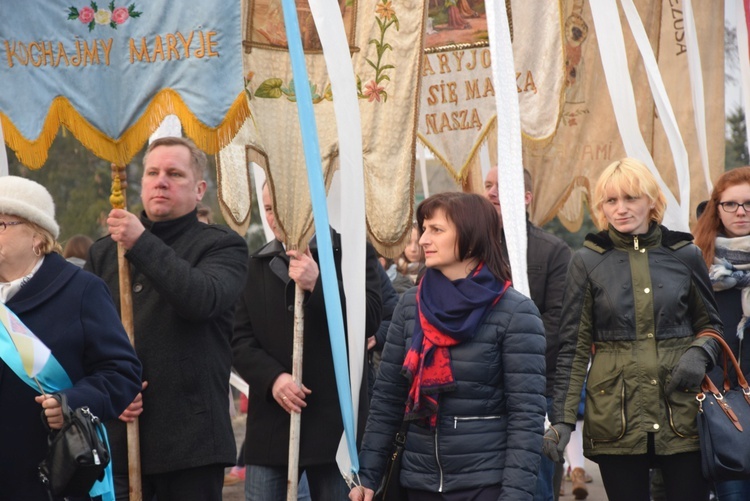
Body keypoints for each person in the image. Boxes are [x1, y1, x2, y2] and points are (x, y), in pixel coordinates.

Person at [544, 158, 723, 501]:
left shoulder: (684, 255)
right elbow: (573, 347)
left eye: (631, 198)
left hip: (682, 409)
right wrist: (563, 420)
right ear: (601, 207)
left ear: (652, 201)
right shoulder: (587, 261)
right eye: (611, 201)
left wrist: (700, 353)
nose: (621, 209)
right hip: (616, 414)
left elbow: (712, 326)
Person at [350, 191, 547, 500]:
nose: (423, 239)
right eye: (424, 228)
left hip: (484, 484)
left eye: (436, 230)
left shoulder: (515, 313)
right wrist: (368, 477)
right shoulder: (410, 306)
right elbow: (387, 400)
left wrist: (515, 495)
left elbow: (527, 417)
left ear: (470, 237)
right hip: (419, 481)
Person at [86, 136, 249, 501]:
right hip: (120, 440)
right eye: (153, 172)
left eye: (175, 173)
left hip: (190, 445)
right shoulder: (104, 253)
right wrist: (108, 392)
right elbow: (85, 339)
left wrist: (141, 242)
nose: (161, 181)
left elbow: (201, 299)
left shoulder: (222, 245)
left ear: (199, 189)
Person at [232, 183, 382, 500]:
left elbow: (368, 320)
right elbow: (239, 340)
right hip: (273, 423)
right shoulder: (255, 265)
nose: (274, 218)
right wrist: (273, 379)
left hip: (335, 428)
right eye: (269, 208)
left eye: (282, 207)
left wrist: (320, 284)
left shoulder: (352, 252)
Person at [0, 176, 142, 500]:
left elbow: (122, 372)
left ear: (37, 234)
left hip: (51, 479)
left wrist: (72, 403)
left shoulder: (80, 290)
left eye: (1, 224)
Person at [483, 166, 572, 501]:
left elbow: (558, 320)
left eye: (501, 186)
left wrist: (501, 355)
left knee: (534, 486)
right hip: (481, 390)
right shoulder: (472, 250)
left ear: (526, 197)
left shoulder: (553, 251)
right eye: (488, 185)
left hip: (537, 389)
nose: (491, 193)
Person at [693, 166, 750, 500]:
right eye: (731, 204)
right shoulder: (699, 264)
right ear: (716, 208)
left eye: (748, 203)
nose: (741, 211)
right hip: (724, 405)